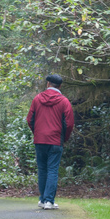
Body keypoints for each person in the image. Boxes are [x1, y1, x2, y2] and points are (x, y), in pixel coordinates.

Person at [26, 73, 74, 210]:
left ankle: (42, 199)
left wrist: (37, 132)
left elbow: (30, 119)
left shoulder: (37, 99)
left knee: (42, 170)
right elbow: (69, 123)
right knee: (52, 170)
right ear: (60, 86)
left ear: (48, 84)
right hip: (55, 140)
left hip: (40, 140)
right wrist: (64, 137)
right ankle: (49, 201)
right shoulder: (64, 101)